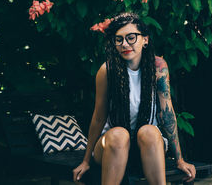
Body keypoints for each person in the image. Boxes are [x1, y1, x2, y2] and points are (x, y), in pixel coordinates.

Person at [73, 13, 196, 185]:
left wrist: (180, 159)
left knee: (150, 131)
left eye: (131, 38)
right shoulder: (107, 71)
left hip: (147, 147)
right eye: (119, 39)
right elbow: (99, 117)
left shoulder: (158, 67)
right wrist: (86, 161)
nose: (124, 44)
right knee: (118, 135)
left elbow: (166, 114)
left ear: (145, 40)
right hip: (112, 148)